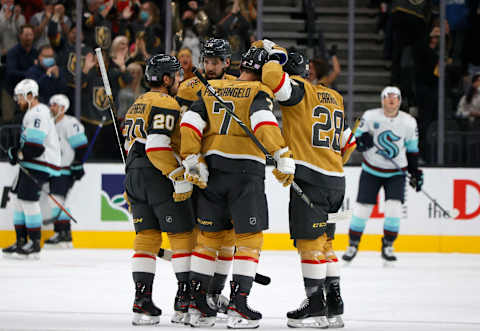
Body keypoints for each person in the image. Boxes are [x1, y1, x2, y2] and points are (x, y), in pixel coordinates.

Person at [179, 46, 295, 328]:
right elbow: (263, 122)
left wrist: (193, 158)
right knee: (249, 240)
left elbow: (190, 122)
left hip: (213, 172)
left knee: (208, 240)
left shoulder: (212, 88)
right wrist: (281, 155)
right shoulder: (258, 90)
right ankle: (238, 306)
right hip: (245, 174)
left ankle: (198, 308)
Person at [255, 40, 354, 328]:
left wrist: (274, 54)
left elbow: (272, 78)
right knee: (326, 244)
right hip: (336, 180)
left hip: (311, 179)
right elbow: (349, 144)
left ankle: (315, 306)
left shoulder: (298, 91)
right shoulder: (333, 96)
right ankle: (333, 304)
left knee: (310, 246)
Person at [123, 54, 195, 326]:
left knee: (146, 239)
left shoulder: (137, 103)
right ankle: (184, 302)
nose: (180, 79)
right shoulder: (165, 102)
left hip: (134, 175)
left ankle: (141, 303)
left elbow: (134, 146)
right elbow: (156, 145)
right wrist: (177, 175)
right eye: (176, 75)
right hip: (157, 175)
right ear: (166, 79)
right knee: (182, 236)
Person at [342, 86, 423, 264]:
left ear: (400, 101)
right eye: (388, 97)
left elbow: (412, 150)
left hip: (396, 172)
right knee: (363, 209)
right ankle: (353, 244)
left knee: (394, 208)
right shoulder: (370, 116)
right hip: (372, 170)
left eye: (395, 97)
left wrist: (415, 172)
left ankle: (388, 245)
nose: (392, 100)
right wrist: (363, 143)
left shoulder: (409, 122)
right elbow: (355, 139)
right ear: (382, 100)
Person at [1, 79, 61, 259]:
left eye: (20, 97)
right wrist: (17, 153)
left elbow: (36, 148)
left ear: (30, 95)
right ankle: (21, 241)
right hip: (33, 163)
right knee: (19, 201)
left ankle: (34, 243)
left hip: (41, 162)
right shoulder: (31, 113)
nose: (17, 100)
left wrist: (17, 154)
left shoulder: (38, 113)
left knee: (28, 201)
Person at [43, 94, 88, 248]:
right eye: (51, 104)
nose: (51, 107)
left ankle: (62, 233)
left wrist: (77, 163)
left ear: (63, 108)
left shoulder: (70, 123)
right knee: (57, 200)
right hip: (53, 169)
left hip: (64, 169)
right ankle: (64, 233)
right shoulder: (50, 124)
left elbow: (81, 146)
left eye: (54, 105)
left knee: (56, 199)